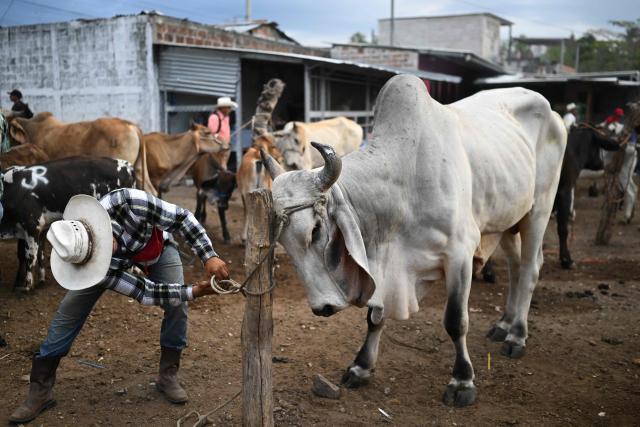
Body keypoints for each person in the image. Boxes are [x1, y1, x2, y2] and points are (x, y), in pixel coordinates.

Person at [10, 188, 229, 424]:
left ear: (97, 226)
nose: (104, 252)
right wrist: (194, 291)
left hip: (157, 251)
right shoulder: (92, 264)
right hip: (103, 270)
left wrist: (209, 256)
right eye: (97, 254)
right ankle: (40, 390)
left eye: (103, 245)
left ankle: (168, 375)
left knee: (177, 306)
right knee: (67, 314)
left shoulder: (130, 202)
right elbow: (145, 292)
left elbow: (182, 218)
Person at [207, 96, 237, 169]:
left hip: (225, 148)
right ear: (223, 108)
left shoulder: (226, 118)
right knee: (221, 167)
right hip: (217, 148)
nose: (230, 109)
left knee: (225, 164)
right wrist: (222, 142)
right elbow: (212, 135)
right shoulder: (214, 117)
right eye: (228, 107)